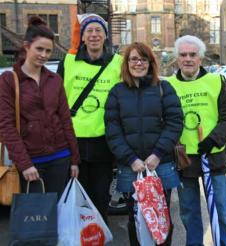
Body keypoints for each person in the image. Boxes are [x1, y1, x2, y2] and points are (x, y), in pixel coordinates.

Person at [104, 42, 183, 246]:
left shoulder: (164, 88)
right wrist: (130, 159)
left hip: (161, 164)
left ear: (150, 62)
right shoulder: (117, 92)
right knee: (136, 219)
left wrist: (157, 154)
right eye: (133, 59)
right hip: (131, 167)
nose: (138, 63)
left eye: (143, 59)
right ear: (126, 63)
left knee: (161, 219)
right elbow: (113, 130)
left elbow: (175, 123)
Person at [167, 35, 226, 246]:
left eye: (193, 54)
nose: (188, 59)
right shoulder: (168, 86)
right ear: (177, 58)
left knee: (222, 212)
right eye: (183, 55)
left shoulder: (216, 81)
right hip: (184, 159)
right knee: (189, 213)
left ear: (200, 58)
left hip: (212, 157)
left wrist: (213, 139)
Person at [0, 16, 80, 198]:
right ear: (26, 46)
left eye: (48, 51)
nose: (44, 55)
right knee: (36, 220)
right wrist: (25, 164)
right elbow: (6, 126)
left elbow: (66, 120)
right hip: (31, 161)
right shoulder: (8, 80)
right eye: (39, 49)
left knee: (60, 216)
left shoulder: (55, 80)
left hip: (60, 158)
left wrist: (74, 159)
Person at [57, 13, 123, 222]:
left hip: (104, 142)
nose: (94, 35)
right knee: (77, 199)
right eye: (89, 31)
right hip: (73, 141)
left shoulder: (117, 63)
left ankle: (98, 237)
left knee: (100, 198)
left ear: (105, 36)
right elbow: (56, 100)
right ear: (83, 37)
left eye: (98, 31)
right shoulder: (67, 62)